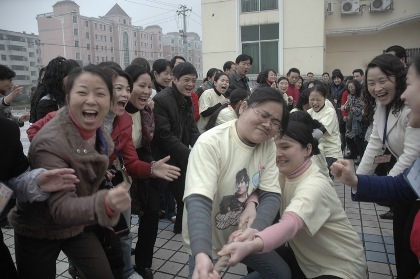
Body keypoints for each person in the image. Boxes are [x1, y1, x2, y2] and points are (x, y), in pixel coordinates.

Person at [8, 65, 132, 279]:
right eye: (83, 92)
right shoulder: (51, 141)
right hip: (40, 228)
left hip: (76, 225)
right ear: (68, 95)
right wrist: (103, 203)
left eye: (102, 92)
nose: (92, 100)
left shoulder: (98, 128)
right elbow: (60, 208)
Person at [218, 119, 367, 279]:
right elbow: (256, 187)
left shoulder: (314, 185)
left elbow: (290, 224)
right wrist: (252, 204)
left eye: (285, 146)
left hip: (340, 268)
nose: (277, 153)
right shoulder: (282, 173)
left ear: (307, 149)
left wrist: (252, 244)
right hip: (306, 263)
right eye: (273, 146)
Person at [183, 87, 291, 279]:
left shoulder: (267, 146)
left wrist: (254, 229)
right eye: (263, 115)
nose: (268, 125)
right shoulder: (211, 143)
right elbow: (198, 200)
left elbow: (271, 193)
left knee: (281, 273)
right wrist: (201, 253)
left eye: (276, 123)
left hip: (242, 234)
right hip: (207, 239)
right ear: (243, 107)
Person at [356, 53, 420, 278]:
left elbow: (411, 155)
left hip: (412, 183)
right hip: (404, 183)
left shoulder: (411, 108)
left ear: (400, 79)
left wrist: (387, 185)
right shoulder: (381, 105)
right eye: (371, 83)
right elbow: (374, 143)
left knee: (411, 242)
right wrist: (357, 180)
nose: (377, 88)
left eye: (383, 81)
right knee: (400, 241)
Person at [0, 117, 79, 279]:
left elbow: (16, 178)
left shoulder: (6, 131)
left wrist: (37, 181)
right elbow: (34, 131)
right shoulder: (54, 114)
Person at [124, 64, 181, 279]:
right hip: (120, 170)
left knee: (151, 214)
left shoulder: (147, 110)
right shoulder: (115, 114)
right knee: (122, 219)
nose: (147, 91)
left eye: (149, 86)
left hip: (147, 165)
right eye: (141, 85)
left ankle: (143, 262)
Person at [151, 62, 201, 234]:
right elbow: (164, 136)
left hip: (179, 157)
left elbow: (192, 129)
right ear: (174, 79)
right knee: (152, 207)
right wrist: (190, 155)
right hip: (162, 160)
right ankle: (144, 256)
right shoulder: (161, 100)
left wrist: (203, 148)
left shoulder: (187, 98)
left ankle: (180, 230)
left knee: (184, 198)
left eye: (194, 81)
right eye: (186, 80)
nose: (191, 84)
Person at [29, 57, 80, 123]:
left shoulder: (72, 98)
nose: (77, 79)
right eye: (72, 75)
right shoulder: (47, 104)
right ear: (59, 78)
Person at [307, 84, 343, 170]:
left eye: (318, 100)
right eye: (312, 100)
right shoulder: (309, 112)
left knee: (326, 177)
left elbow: (318, 133)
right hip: (317, 152)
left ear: (325, 98)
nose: (315, 103)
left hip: (330, 151)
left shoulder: (329, 112)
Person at [343, 79, 365, 163]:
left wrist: (355, 109)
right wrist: (345, 109)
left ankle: (362, 157)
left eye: (352, 87)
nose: (351, 89)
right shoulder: (349, 96)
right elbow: (346, 105)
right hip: (350, 119)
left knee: (358, 140)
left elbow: (363, 106)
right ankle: (353, 154)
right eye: (349, 87)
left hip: (359, 121)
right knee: (348, 137)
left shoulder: (361, 95)